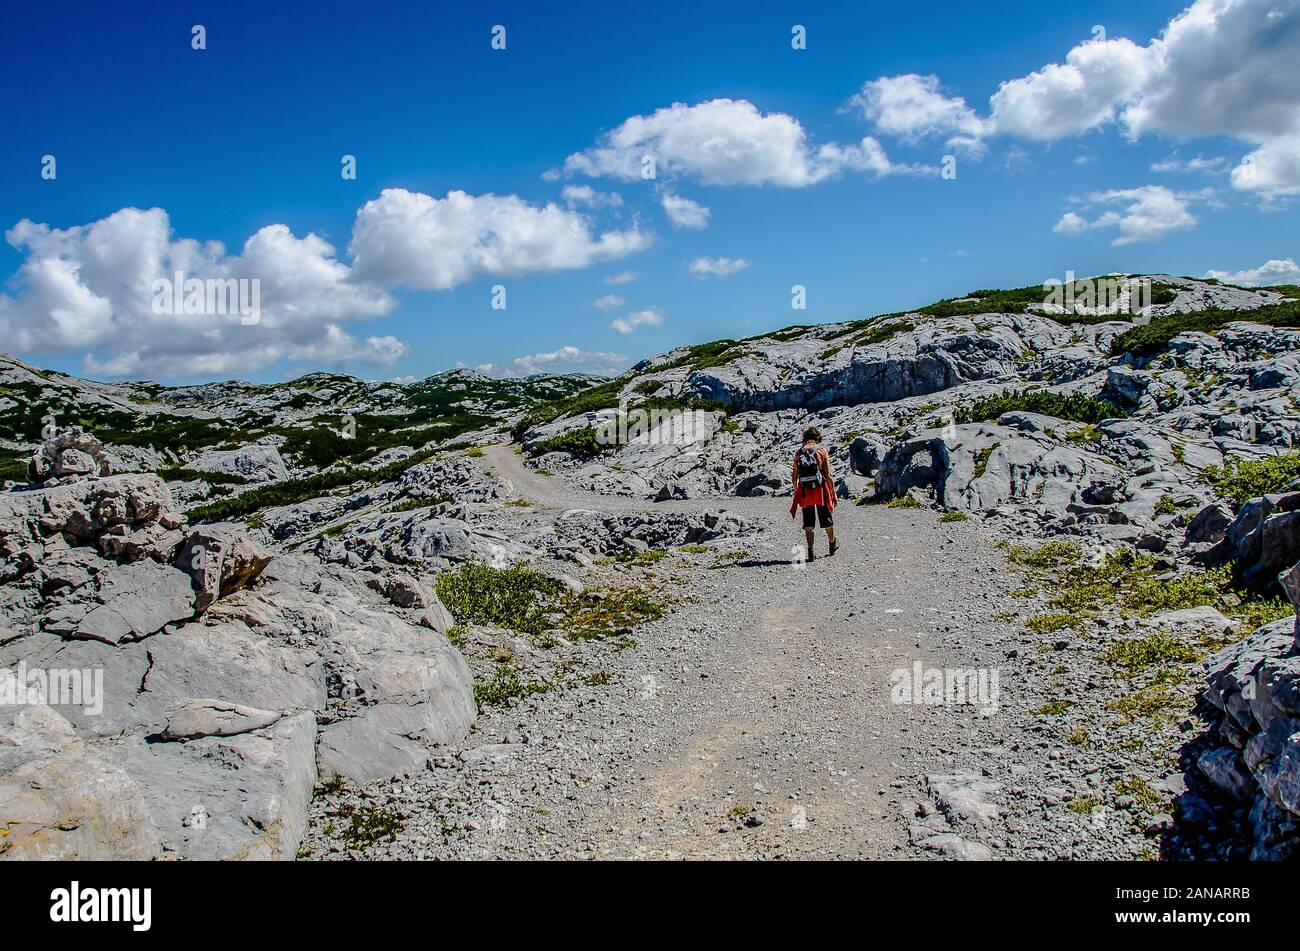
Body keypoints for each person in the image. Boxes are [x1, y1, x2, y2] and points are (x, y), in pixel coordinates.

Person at [789, 426, 837, 560]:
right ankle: (832, 544)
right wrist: (833, 492)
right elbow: (828, 475)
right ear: (817, 438)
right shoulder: (821, 451)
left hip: (805, 491)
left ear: (804, 438)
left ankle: (810, 551)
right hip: (821, 490)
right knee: (826, 518)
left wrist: (796, 490)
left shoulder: (798, 454)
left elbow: (794, 476)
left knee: (808, 522)